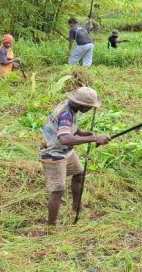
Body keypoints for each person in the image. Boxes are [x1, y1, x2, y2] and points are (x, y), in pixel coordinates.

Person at [39, 87, 111, 225]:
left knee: (79, 174)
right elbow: (64, 138)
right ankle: (51, 224)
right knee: (58, 190)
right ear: (81, 104)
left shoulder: (70, 107)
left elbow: (65, 127)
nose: (90, 109)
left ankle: (77, 206)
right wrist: (94, 138)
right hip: (54, 154)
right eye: (89, 107)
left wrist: (80, 132)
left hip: (66, 151)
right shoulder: (66, 113)